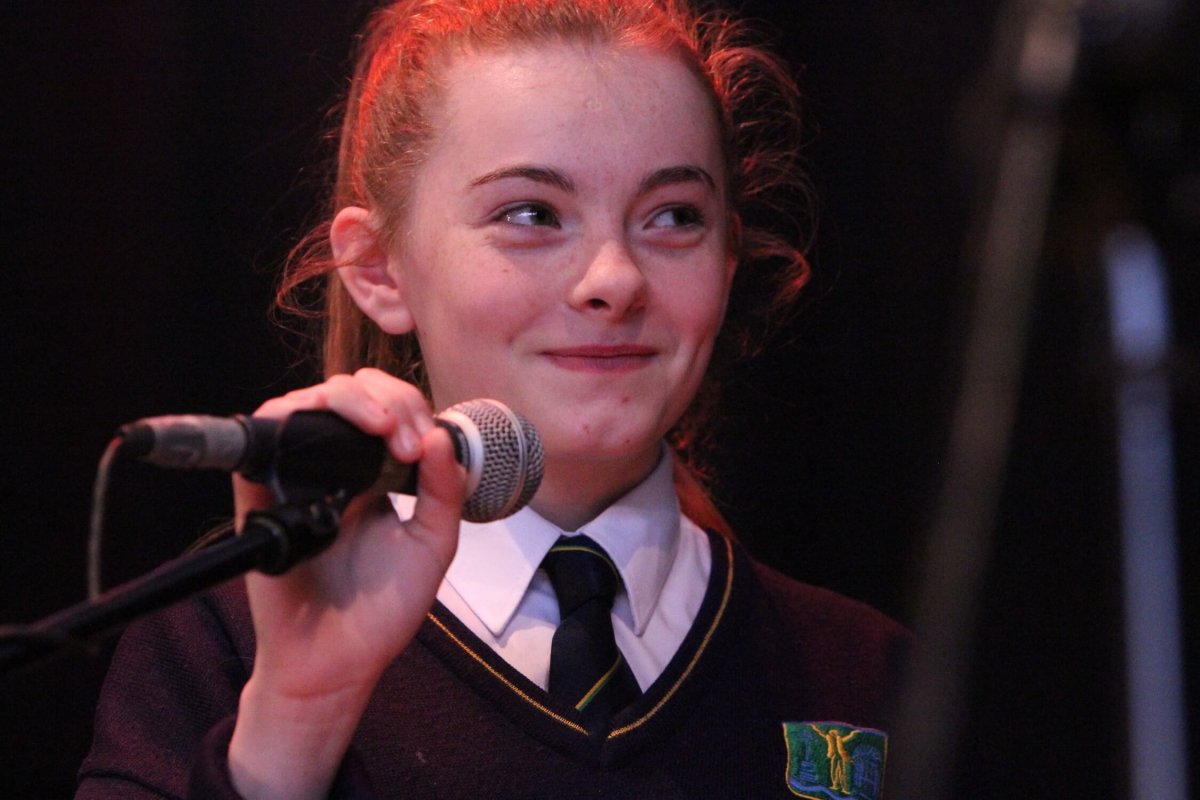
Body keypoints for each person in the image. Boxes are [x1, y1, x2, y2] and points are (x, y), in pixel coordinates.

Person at [78, 1, 909, 797]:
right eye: (531, 213)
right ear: (377, 268)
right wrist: (296, 720)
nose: (615, 278)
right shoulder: (218, 646)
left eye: (673, 217)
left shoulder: (866, 677)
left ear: (728, 260)